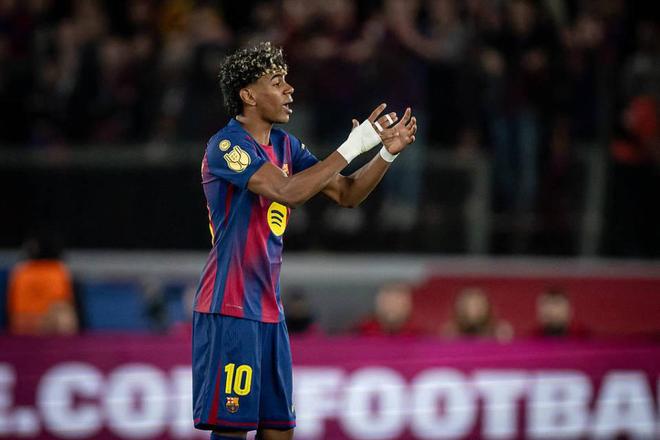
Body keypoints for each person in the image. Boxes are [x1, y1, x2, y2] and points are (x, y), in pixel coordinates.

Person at [191, 41, 417, 440]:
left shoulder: (286, 146)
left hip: (269, 309)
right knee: (232, 430)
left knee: (280, 430)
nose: (289, 89)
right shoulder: (226, 146)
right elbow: (288, 192)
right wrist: (351, 147)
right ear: (248, 95)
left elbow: (346, 194)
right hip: (230, 306)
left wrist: (384, 155)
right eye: (277, 81)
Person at [7, 235, 78, 335]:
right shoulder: (59, 270)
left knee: (61, 309)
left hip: (42, 321)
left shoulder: (20, 269)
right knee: (63, 311)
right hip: (29, 322)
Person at [442, 286, 513, 341]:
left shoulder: (498, 331)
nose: (476, 309)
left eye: (479, 305)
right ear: (461, 309)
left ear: (487, 307)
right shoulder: (452, 332)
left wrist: (504, 338)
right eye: (471, 305)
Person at [355, 282, 422, 336]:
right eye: (388, 300)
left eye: (397, 301)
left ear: (408, 305)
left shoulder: (419, 338)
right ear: (378, 302)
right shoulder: (359, 334)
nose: (392, 305)